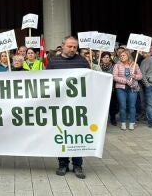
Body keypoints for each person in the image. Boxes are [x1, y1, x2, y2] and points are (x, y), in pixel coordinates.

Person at [47, 36, 90, 179]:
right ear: (63, 46)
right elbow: (46, 82)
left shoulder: (83, 61)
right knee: (62, 134)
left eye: (75, 47)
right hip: (60, 107)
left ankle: (78, 164)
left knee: (77, 135)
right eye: (70, 46)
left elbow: (90, 81)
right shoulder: (53, 62)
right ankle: (63, 163)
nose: (72, 49)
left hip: (78, 107)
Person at [113, 50, 142, 130]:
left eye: (123, 55)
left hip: (133, 88)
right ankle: (123, 123)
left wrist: (135, 76)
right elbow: (114, 77)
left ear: (128, 56)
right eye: (121, 56)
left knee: (132, 106)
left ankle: (132, 123)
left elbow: (140, 76)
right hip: (121, 88)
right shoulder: (117, 65)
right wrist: (125, 81)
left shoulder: (135, 65)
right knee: (122, 106)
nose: (121, 57)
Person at [98, 52, 118, 125]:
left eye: (107, 57)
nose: (106, 59)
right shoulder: (97, 66)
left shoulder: (114, 66)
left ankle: (113, 118)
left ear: (110, 58)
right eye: (104, 57)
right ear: (101, 58)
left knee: (112, 104)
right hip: (100, 88)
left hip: (111, 88)